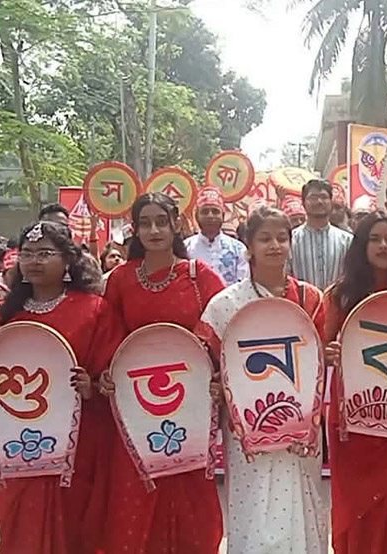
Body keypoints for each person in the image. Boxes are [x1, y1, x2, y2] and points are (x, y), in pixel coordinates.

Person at [0, 221, 125, 554]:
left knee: (78, 523)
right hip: (19, 440)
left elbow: (112, 373)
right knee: (22, 526)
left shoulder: (94, 310)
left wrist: (92, 385)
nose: (34, 261)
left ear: (67, 260)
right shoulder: (3, 314)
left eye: (44, 253)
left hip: (79, 439)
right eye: (27, 254)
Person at [195, 206, 329, 554]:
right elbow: (206, 358)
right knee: (254, 502)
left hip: (302, 423)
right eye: (265, 239)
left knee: (304, 499)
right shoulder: (225, 304)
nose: (275, 246)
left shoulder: (312, 299)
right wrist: (215, 385)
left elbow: (322, 356)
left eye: (282, 238)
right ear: (248, 246)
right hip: (247, 427)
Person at [100, 192, 225, 554]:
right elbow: (109, 336)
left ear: (176, 225)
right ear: (135, 229)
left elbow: (222, 333)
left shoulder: (200, 277)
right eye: (145, 223)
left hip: (191, 402)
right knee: (136, 486)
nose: (153, 230)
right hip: (136, 403)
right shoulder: (120, 279)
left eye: (161, 222)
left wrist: (220, 378)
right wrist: (105, 373)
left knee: (190, 488)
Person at [321, 211, 387, 554]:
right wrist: (329, 353)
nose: (383, 246)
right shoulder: (340, 296)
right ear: (360, 246)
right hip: (354, 418)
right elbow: (320, 347)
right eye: (375, 239)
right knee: (357, 503)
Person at [289, 179, 353, 290]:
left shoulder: (347, 240)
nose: (319, 202)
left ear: (331, 202)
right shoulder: (291, 240)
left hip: (337, 299)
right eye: (313, 197)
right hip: (301, 300)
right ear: (303, 203)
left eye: (324, 197)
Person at [185, 186, 250, 286]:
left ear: (223, 216)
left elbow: (244, 284)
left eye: (215, 211)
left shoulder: (238, 249)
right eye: (205, 212)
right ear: (197, 216)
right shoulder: (185, 248)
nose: (210, 216)